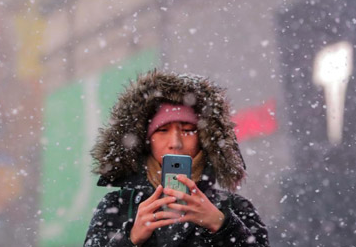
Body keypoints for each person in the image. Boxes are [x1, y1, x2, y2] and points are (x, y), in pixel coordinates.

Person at [84, 70, 270, 247]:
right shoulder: (118, 205)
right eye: (162, 130)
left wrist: (222, 225)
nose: (176, 142)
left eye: (188, 130)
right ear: (147, 141)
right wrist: (131, 238)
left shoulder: (233, 207)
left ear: (205, 139)